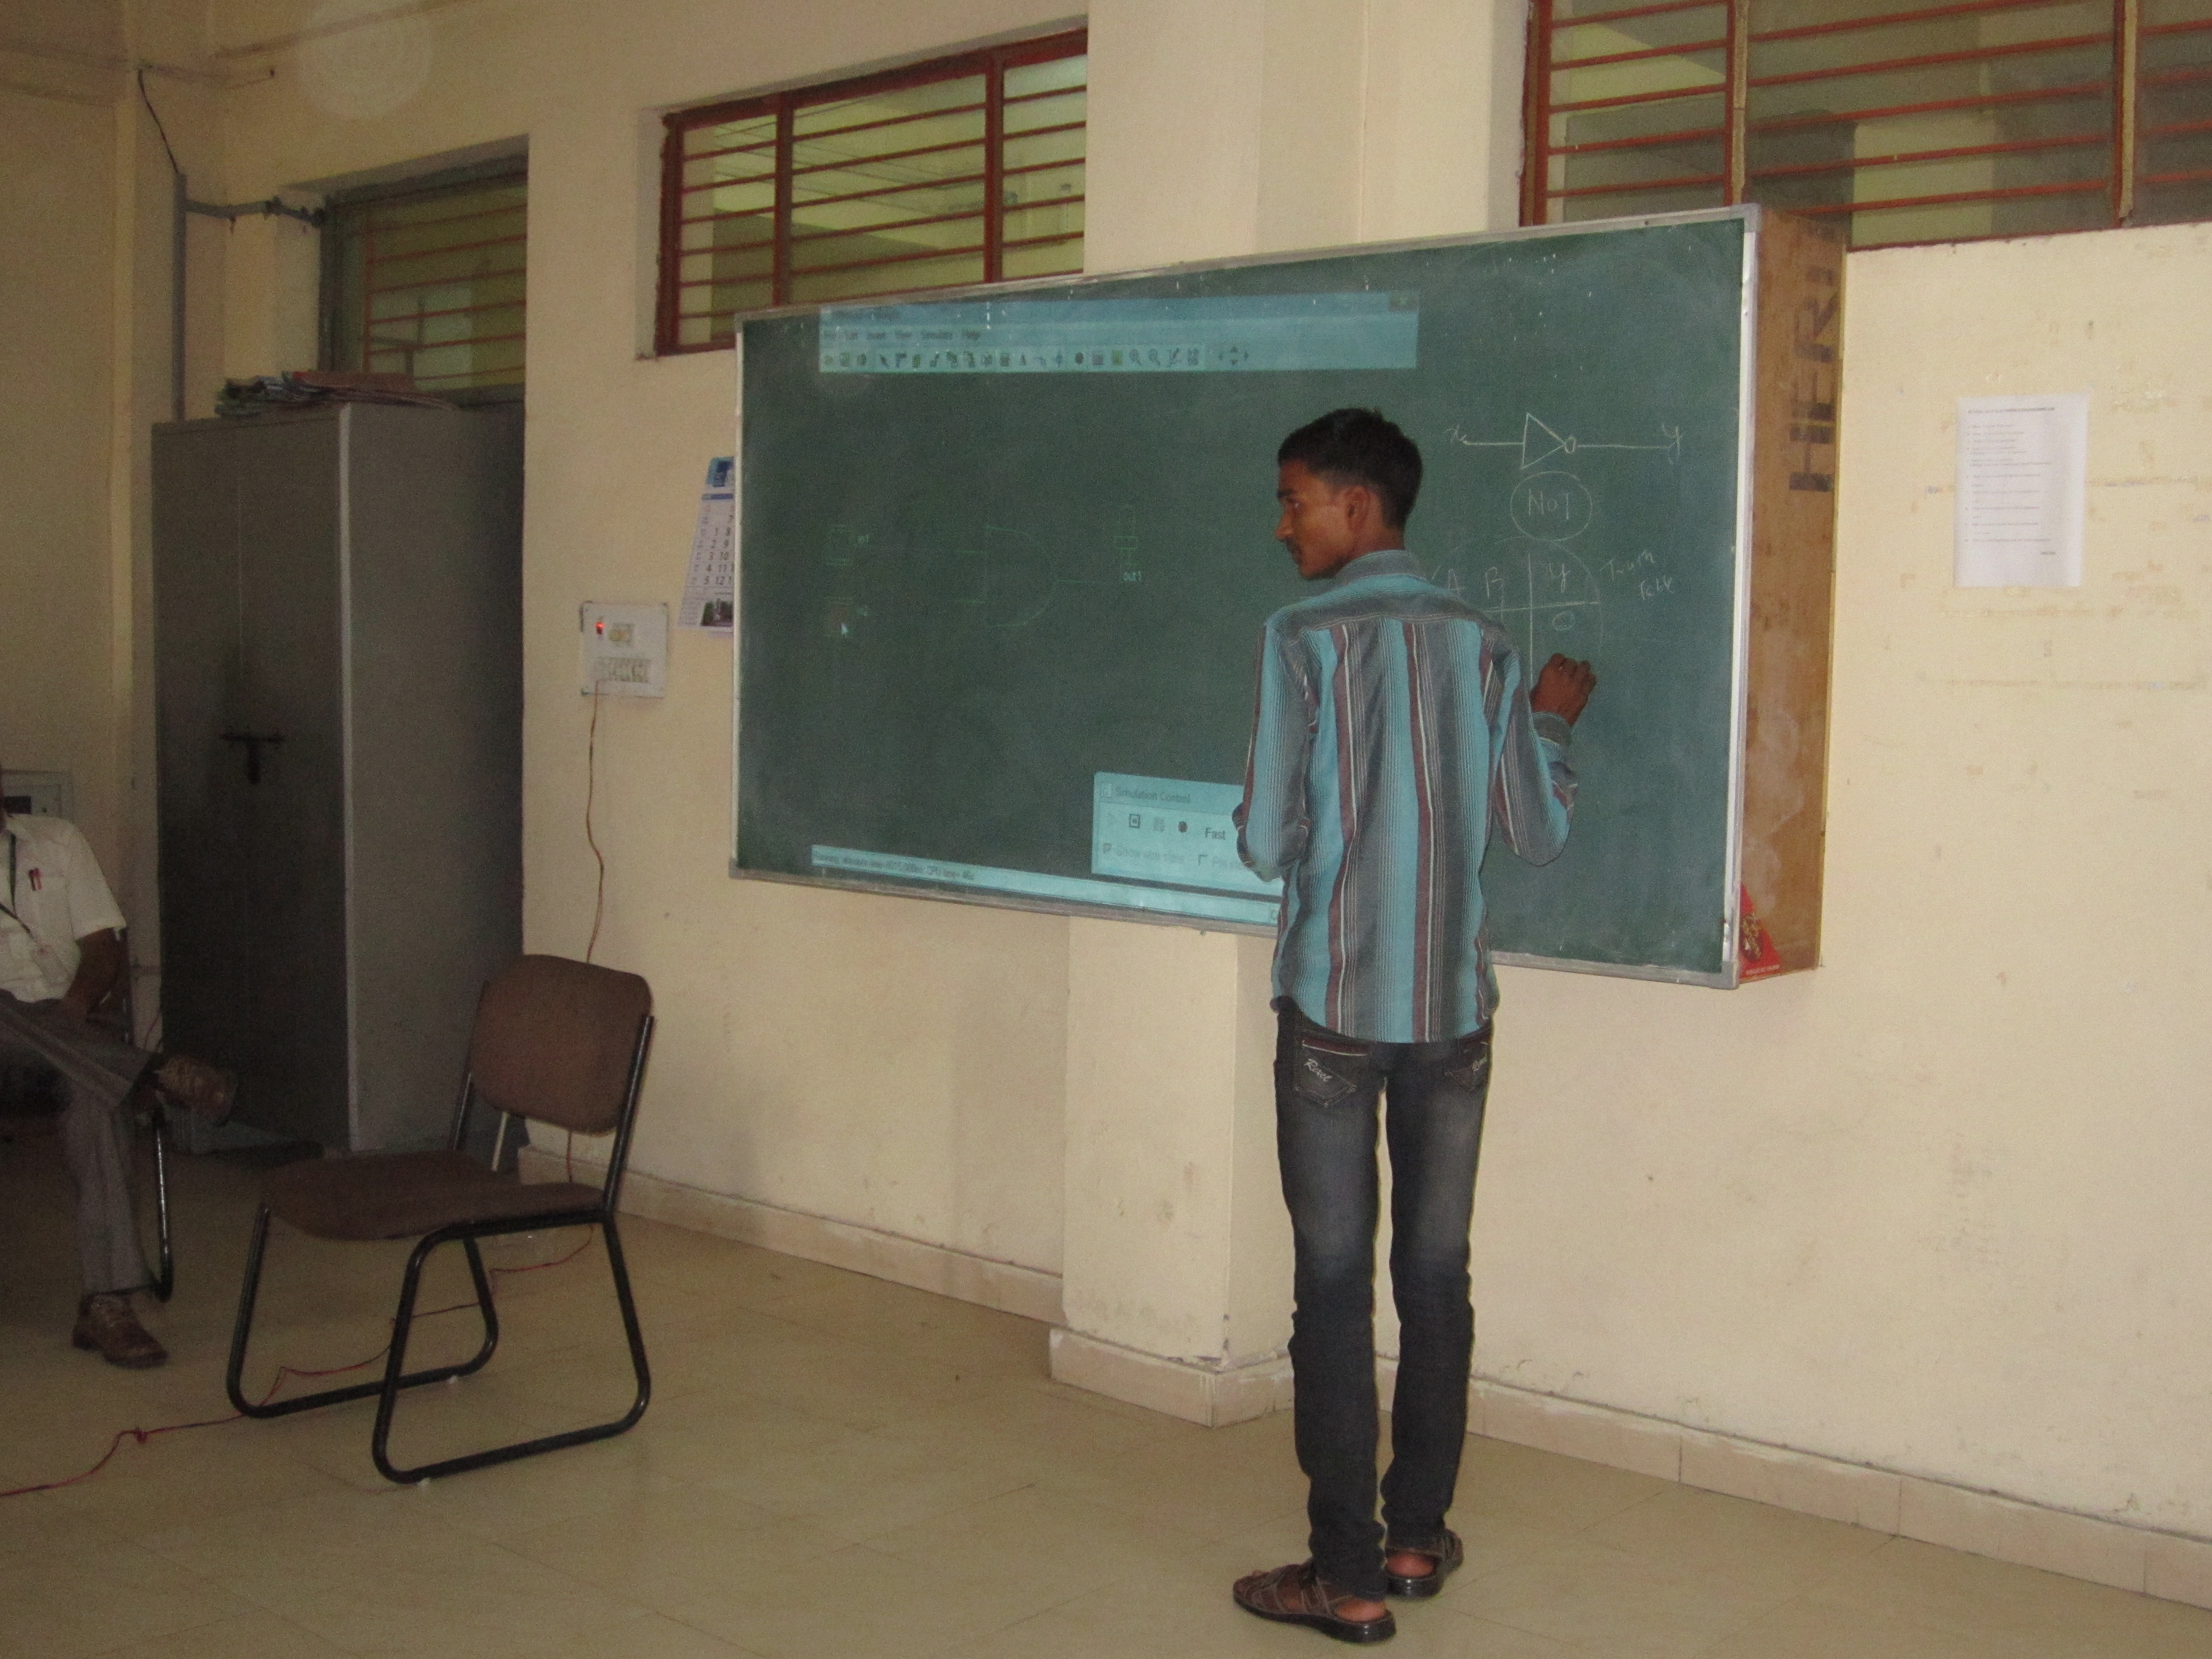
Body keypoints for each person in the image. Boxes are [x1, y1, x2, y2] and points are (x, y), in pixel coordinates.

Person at [1229, 410, 1596, 1644]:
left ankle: (1342, 1577)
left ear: (1356, 505)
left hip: (1333, 1011)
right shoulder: (1485, 645)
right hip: (1451, 1019)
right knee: (1435, 1276)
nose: (1282, 526)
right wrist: (1551, 722)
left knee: (1332, 1287)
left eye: (1294, 501)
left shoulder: (1298, 639)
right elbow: (1537, 831)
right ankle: (1414, 1537)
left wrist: (1312, 818)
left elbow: (1263, 841)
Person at [0, 773, 234, 1368]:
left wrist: (73, 1012)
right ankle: (152, 1071)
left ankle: (106, 1302)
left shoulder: (57, 841)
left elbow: (103, 948)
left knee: (93, 1094)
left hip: (69, 1031)